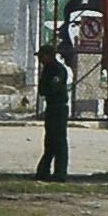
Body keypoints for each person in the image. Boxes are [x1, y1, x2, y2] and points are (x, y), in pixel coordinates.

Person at [35, 22, 75, 181]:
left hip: (59, 108)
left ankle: (60, 173)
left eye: (42, 56)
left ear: (49, 56)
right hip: (52, 107)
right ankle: (44, 171)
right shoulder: (48, 69)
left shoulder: (58, 70)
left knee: (59, 142)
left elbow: (51, 88)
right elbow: (43, 90)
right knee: (50, 141)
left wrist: (46, 89)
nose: (40, 60)